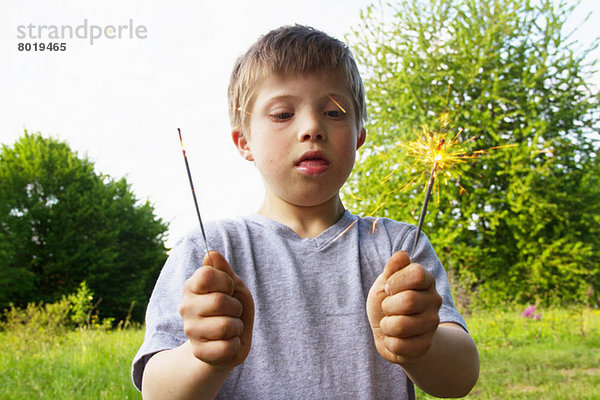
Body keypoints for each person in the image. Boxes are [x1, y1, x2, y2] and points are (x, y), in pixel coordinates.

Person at [132, 24, 479, 399]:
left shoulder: (399, 248)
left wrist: (420, 343)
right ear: (243, 141)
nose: (312, 128)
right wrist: (204, 357)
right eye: (283, 114)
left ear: (359, 134)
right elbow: (157, 391)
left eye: (334, 111)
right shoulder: (210, 251)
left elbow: (459, 379)